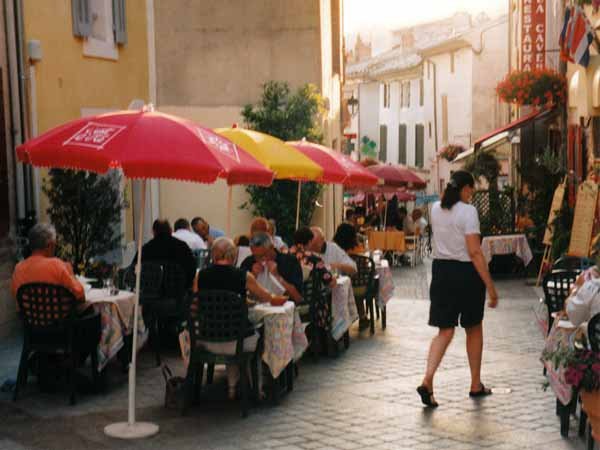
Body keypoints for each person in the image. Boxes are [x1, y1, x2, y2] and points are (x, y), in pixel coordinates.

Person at [417, 170, 498, 408]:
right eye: (470, 189)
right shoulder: (469, 212)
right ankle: (475, 384)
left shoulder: (434, 208)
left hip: (441, 272)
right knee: (473, 328)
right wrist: (490, 286)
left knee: (445, 331)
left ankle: (428, 379)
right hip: (466, 274)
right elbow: (474, 251)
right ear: (464, 188)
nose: (472, 193)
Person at [194, 237, 284, 399]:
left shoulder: (200, 276)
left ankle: (230, 386)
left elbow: (196, 304)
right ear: (233, 255)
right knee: (259, 335)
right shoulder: (244, 276)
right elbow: (267, 297)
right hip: (236, 340)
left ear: (213, 255)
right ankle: (257, 389)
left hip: (207, 338)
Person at [11, 223, 85, 309]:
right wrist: (71, 273)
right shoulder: (57, 265)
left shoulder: (18, 269)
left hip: (29, 321)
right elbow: (80, 296)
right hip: (60, 320)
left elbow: (17, 300)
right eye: (55, 244)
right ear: (49, 245)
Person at [240, 233, 303, 303]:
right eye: (256, 256)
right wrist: (252, 276)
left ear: (272, 247)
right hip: (255, 310)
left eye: (264, 255)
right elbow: (240, 293)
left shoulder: (289, 262)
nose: (261, 259)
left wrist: (277, 277)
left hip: (282, 309)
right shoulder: (249, 262)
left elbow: (298, 298)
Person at [133, 219, 196, 288]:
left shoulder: (145, 249)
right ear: (170, 230)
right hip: (177, 291)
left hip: (151, 292)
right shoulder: (182, 247)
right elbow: (192, 268)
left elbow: (134, 269)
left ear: (154, 232)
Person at [331, 222, 369, 330]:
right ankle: (362, 316)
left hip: (340, 283)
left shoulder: (334, 248)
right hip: (358, 285)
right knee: (357, 283)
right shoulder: (357, 248)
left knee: (351, 283)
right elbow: (364, 267)